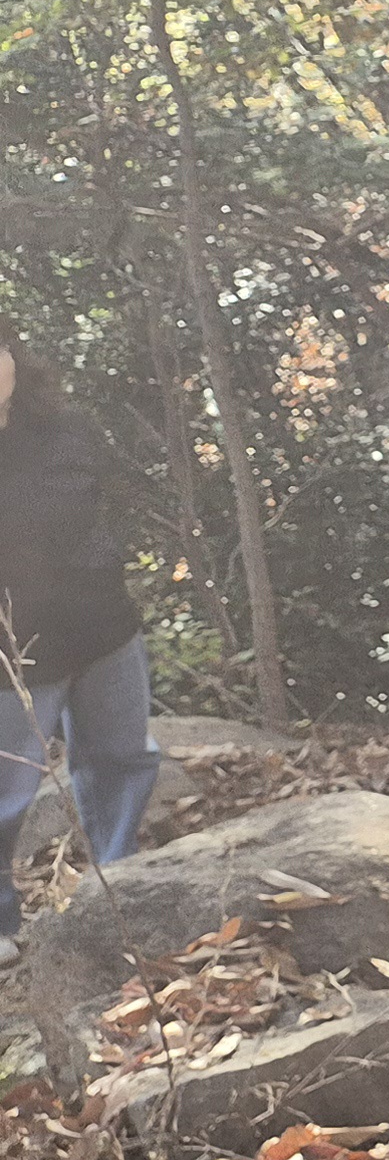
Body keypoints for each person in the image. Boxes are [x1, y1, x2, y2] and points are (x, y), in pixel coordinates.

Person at [0, 321, 161, 968]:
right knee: (5, 796)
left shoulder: (65, 429)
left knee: (123, 759)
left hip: (103, 631)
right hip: (14, 655)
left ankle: (115, 889)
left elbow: (99, 507)